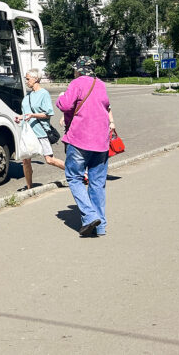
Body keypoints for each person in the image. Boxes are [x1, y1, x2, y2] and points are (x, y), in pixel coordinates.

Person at [56, 56, 115, 237]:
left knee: (74, 177)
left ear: (78, 70)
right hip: (101, 141)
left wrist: (60, 98)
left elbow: (65, 105)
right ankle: (101, 227)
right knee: (97, 183)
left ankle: (89, 216)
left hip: (81, 139)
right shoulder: (101, 84)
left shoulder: (77, 83)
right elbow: (105, 106)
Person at [15, 68, 65, 191]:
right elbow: (26, 114)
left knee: (49, 159)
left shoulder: (44, 94)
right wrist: (20, 118)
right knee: (26, 160)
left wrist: (33, 115)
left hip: (40, 131)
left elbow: (48, 114)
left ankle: (80, 174)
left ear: (36, 79)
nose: (26, 81)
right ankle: (29, 188)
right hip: (27, 132)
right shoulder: (28, 96)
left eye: (27, 79)